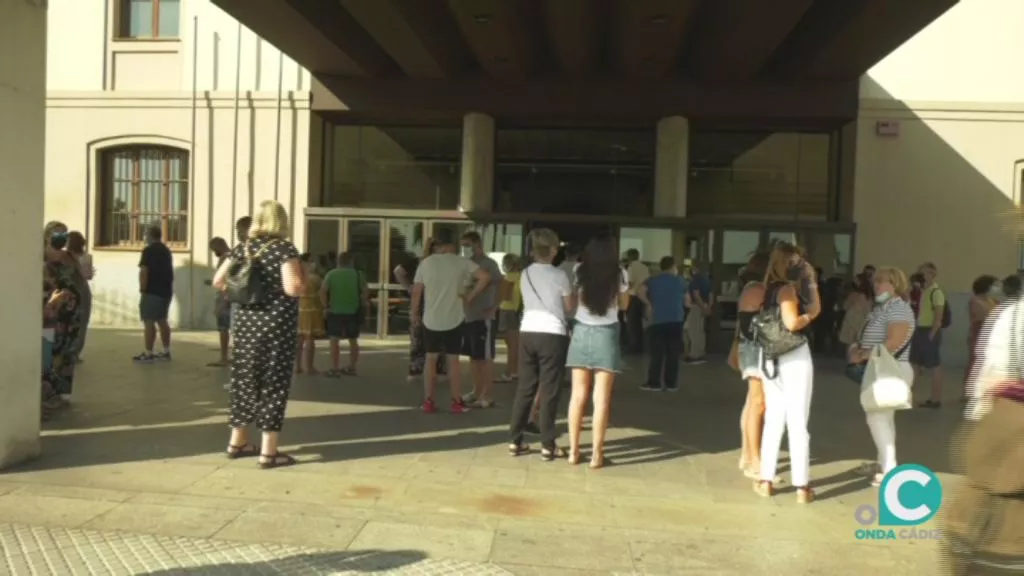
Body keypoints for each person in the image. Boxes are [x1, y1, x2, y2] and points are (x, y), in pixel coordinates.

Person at [213, 200, 305, 469]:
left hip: (244, 326)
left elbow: (219, 281)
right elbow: (293, 287)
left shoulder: (242, 248)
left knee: (244, 380)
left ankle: (237, 442)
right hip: (276, 326)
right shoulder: (284, 249)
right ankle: (269, 451)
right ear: (281, 221)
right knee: (273, 383)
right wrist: (303, 280)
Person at [754, 242, 818, 504]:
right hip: (794, 357)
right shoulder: (788, 290)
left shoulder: (766, 290)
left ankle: (766, 479)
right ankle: (802, 486)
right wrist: (810, 314)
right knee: (798, 420)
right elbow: (792, 323)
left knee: (774, 418)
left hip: (770, 357)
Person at [508, 228, 574, 460]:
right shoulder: (560, 276)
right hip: (552, 333)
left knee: (525, 387)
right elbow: (568, 307)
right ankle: (548, 444)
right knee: (549, 389)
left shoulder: (525, 273)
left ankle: (515, 440)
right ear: (553, 250)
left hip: (528, 330)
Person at [566, 234, 630, 469]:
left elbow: (576, 300)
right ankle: (596, 455)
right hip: (607, 333)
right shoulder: (620, 273)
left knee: (577, 395)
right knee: (601, 399)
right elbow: (624, 305)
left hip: (581, 331)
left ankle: (573, 452)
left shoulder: (579, 270)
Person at [411, 229, 491, 414]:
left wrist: (414, 315)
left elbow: (416, 292)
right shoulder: (462, 262)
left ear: (439, 246)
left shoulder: (426, 263)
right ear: (453, 245)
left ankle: (428, 401)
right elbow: (485, 277)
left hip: (430, 319)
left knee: (430, 360)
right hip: (455, 319)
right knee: (453, 361)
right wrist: (470, 296)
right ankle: (456, 402)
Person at [847, 267, 915, 486]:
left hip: (890, 368)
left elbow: (894, 342)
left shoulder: (898, 309)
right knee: (884, 418)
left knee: (876, 416)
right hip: (880, 367)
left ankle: (890, 469)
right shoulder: (883, 308)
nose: (877, 286)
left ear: (896, 285)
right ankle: (883, 462)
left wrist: (864, 354)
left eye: (883, 282)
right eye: (875, 282)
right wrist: (857, 349)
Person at [459, 231, 503, 408]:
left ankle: (487, 395)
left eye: (468, 244)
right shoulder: (468, 264)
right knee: (474, 356)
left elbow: (502, 284)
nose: (466, 248)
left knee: (485, 357)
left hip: (484, 316)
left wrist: (495, 306)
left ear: (477, 244)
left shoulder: (489, 264)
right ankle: (476, 391)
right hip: (469, 315)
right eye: (464, 245)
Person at [735, 250, 769, 479]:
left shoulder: (751, 288)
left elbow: (742, 325)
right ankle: (754, 458)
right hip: (757, 349)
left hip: (751, 347)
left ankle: (748, 454)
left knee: (752, 402)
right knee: (757, 403)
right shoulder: (757, 289)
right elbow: (748, 325)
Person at [42, 221, 83, 410]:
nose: (61, 246)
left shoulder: (66, 260)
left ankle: (58, 393)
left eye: (64, 238)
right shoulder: (42, 265)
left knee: (65, 355)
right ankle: (45, 397)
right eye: (56, 239)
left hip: (68, 321)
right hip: (51, 321)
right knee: (48, 359)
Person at [637, 256, 685, 392]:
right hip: (676, 319)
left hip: (657, 319)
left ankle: (654, 383)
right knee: (673, 353)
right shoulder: (680, 281)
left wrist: (648, 304)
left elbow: (640, 291)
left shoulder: (653, 280)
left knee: (657, 353)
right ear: (673, 267)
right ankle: (671, 384)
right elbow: (687, 300)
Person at [400, 240, 446, 381]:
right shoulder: (432, 264)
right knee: (426, 339)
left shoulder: (422, 263)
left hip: (427, 306)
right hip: (429, 306)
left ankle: (419, 369)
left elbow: (399, 271)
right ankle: (433, 370)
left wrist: (409, 287)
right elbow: (399, 271)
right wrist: (409, 287)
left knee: (421, 339)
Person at [320, 252, 369, 377]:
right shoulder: (358, 275)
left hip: (335, 310)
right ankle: (352, 367)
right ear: (351, 261)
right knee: (353, 340)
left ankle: (334, 367)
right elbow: (365, 292)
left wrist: (325, 307)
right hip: (353, 311)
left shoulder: (331, 274)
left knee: (334, 341)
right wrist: (362, 304)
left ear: (338, 262)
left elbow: (323, 291)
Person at [133, 226, 174, 363]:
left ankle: (149, 352)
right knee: (162, 320)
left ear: (151, 235)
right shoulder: (166, 250)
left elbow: (144, 270)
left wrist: (142, 289)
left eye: (145, 234)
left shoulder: (148, 251)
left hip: (152, 290)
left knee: (149, 321)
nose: (144, 237)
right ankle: (166, 350)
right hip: (166, 291)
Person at [913, 262, 947, 408]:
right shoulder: (923, 291)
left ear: (932, 274)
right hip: (919, 330)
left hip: (929, 331)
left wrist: (932, 333)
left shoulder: (936, 292)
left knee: (934, 365)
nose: (922, 276)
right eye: (920, 273)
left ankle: (935, 399)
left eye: (924, 273)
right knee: (914, 363)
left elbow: (939, 314)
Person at [963, 275, 1000, 401]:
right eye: (995, 285)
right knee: (975, 364)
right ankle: (968, 392)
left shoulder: (992, 300)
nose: (997, 288)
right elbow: (988, 315)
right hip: (979, 336)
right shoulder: (975, 301)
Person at [65, 231, 94, 361]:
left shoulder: (65, 257)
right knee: (82, 322)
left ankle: (67, 351)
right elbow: (88, 276)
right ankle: (75, 353)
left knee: (68, 321)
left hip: (68, 289)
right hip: (83, 289)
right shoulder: (87, 257)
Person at [296, 253, 325, 374]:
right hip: (312, 309)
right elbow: (323, 291)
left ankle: (298, 367)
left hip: (298, 309)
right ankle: (310, 367)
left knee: (299, 339)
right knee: (309, 339)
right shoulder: (314, 278)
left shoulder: (297, 277)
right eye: (311, 261)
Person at [206, 237, 232, 367]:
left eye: (213, 249)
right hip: (231, 297)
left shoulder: (225, 259)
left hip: (224, 298)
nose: (213, 252)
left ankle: (223, 357)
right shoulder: (233, 256)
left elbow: (224, 280)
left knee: (223, 328)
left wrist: (223, 301)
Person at [496, 253, 522, 383]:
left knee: (511, 345)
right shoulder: (521, 276)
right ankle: (515, 370)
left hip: (507, 311)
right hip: (517, 311)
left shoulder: (508, 278)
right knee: (516, 344)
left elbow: (504, 296)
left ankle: (510, 371)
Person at [683, 261, 712, 364]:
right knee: (699, 330)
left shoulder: (695, 280)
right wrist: (708, 307)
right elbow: (710, 294)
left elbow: (696, 294)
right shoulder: (706, 279)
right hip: (704, 305)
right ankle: (700, 351)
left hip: (696, 306)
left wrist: (702, 307)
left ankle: (694, 354)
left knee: (693, 331)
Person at [623, 248, 649, 354]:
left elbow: (630, 282)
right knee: (639, 322)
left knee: (632, 323)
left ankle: (633, 347)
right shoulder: (644, 267)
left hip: (633, 296)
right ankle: (641, 346)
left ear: (630, 257)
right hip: (643, 296)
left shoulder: (631, 267)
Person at [838, 274, 873, 348]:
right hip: (863, 320)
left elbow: (845, 306)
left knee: (850, 343)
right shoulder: (869, 295)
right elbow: (869, 310)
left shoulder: (854, 294)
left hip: (852, 319)